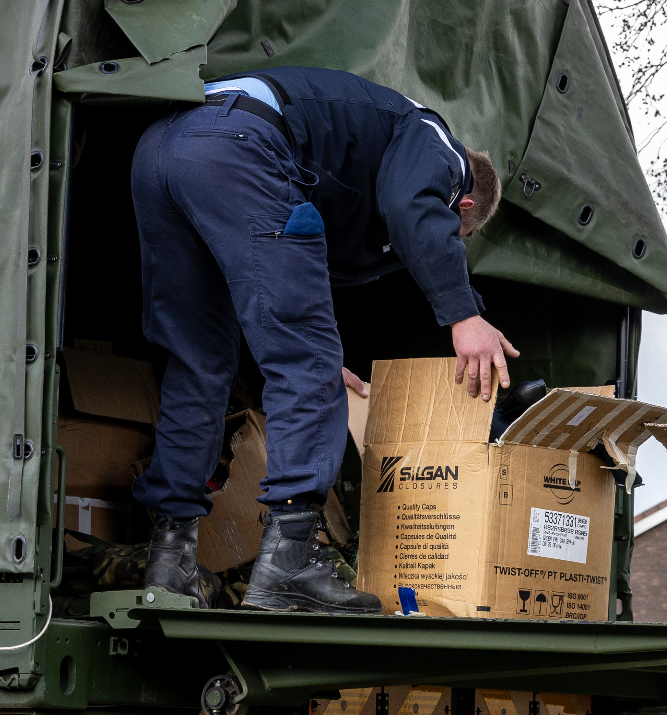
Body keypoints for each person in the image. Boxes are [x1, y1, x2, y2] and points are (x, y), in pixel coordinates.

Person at [128, 64, 517, 612]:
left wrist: (307, 354)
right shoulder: (439, 147)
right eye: (456, 233)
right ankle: (288, 564)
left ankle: (170, 562)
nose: (440, 240)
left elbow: (270, 280)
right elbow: (413, 207)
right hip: (239, 143)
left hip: (161, 149)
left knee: (198, 359)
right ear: (464, 205)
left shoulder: (354, 162)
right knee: (306, 360)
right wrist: (464, 316)